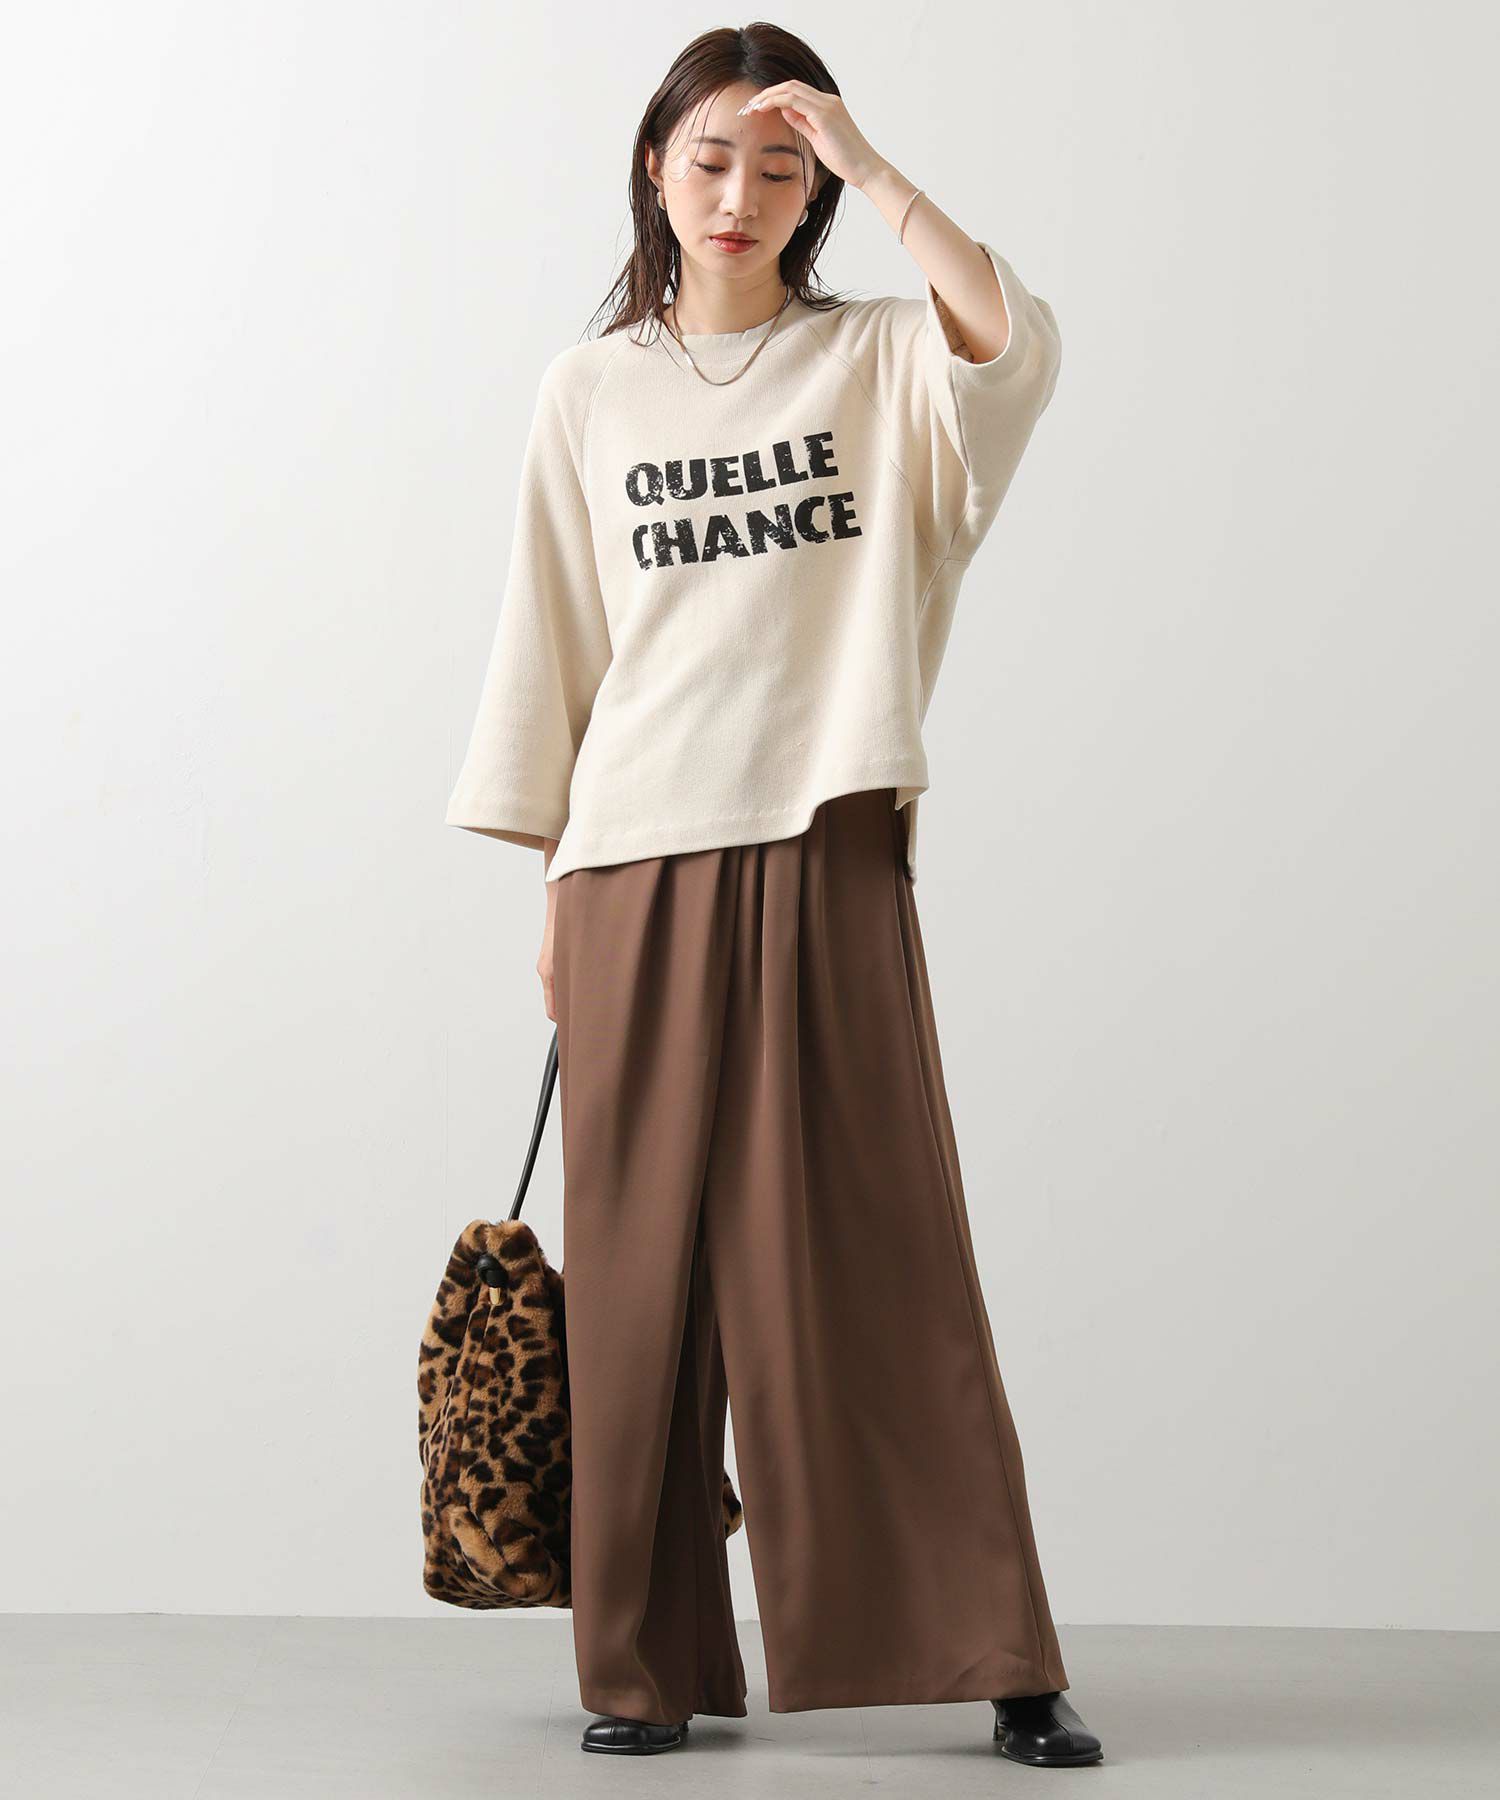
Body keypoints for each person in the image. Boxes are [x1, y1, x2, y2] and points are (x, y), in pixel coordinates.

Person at [445, 22, 1103, 1770]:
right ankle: (640, 1670)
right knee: (640, 1277)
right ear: (655, 170)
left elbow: (1016, 343)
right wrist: (555, 892)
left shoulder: (877, 358)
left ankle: (996, 1652)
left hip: (826, 835)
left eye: (782, 168)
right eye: (712, 157)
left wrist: (878, 168)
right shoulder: (591, 389)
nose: (741, 194)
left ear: (815, 193)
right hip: (631, 861)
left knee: (879, 1253)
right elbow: (556, 642)